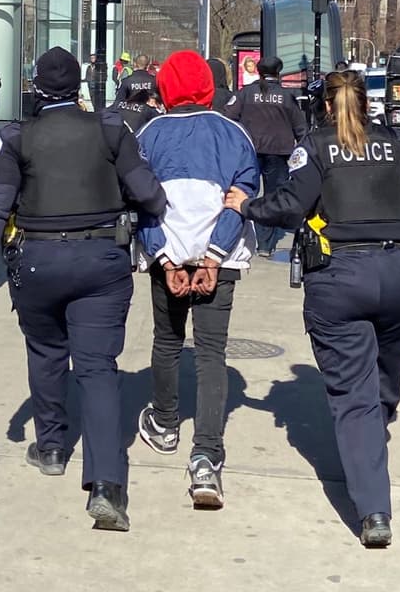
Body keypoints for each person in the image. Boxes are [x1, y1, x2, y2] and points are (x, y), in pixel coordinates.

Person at [222, 69, 400, 548]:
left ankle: (372, 509)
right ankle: (373, 441)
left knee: (354, 398)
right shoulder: (399, 143)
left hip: (339, 279)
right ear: (364, 103)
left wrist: (246, 207)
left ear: (325, 105)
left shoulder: (317, 146)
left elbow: (289, 205)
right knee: (385, 381)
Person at [0, 47, 167, 532]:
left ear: (36, 87)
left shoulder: (16, 136)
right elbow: (148, 193)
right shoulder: (110, 129)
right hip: (101, 259)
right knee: (98, 369)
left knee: (46, 352)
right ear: (79, 87)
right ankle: (106, 487)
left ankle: (52, 446)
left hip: (36, 262)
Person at [132, 50, 260, 509]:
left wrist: (166, 259)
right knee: (211, 352)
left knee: (167, 342)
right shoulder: (234, 134)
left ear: (165, 88)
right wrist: (212, 256)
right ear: (208, 86)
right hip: (220, 260)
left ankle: (165, 424)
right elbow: (240, 199)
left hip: (165, 255)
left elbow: (141, 201)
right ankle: (206, 456)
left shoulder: (148, 134)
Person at [227, 56, 307, 257]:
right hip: (279, 152)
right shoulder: (286, 96)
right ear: (278, 73)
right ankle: (265, 243)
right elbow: (300, 128)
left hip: (250, 152)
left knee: (245, 193)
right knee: (273, 197)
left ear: (258, 72)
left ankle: (241, 239)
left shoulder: (245, 93)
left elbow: (228, 117)